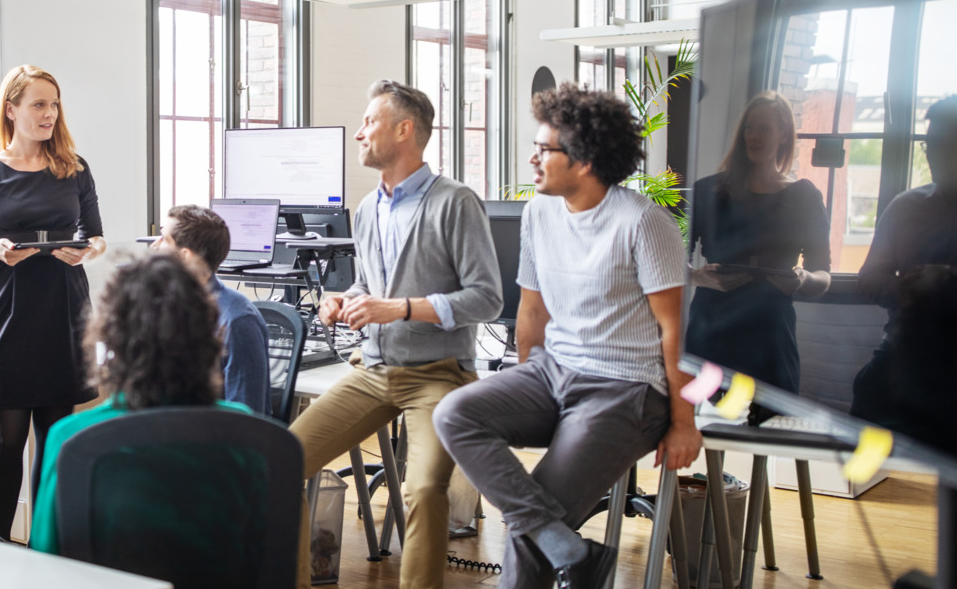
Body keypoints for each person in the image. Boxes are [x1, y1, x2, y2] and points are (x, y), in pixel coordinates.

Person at [433, 84, 701, 589]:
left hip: (627, 387)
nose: (532, 160)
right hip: (553, 371)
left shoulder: (644, 222)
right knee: (455, 413)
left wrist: (683, 421)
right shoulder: (539, 213)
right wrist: (522, 381)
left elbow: (677, 331)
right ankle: (571, 550)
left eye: (544, 150)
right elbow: (532, 309)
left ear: (584, 161)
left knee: (531, 522)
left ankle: (559, 545)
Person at [295, 80, 503, 589]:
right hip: (373, 371)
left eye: (370, 122)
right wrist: (342, 302)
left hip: (438, 375)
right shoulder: (369, 209)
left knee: (425, 488)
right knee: (281, 460)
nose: (360, 132)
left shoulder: (456, 202)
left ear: (404, 130)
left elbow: (488, 299)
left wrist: (401, 308)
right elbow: (371, 285)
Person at [0, 65, 106, 540]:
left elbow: (96, 237)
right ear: (11, 109)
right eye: (39, 104)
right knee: (8, 442)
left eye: (54, 104)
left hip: (66, 313)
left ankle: (42, 545)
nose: (49, 114)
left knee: (53, 444)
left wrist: (85, 252)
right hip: (8, 317)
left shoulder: (74, 167)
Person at [28, 252, 252, 554]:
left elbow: (48, 559)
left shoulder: (72, 438)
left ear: (111, 339)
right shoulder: (245, 433)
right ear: (208, 335)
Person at [686, 91, 832, 399]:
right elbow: (667, 258)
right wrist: (697, 276)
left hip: (770, 326)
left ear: (783, 134)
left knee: (770, 420)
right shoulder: (708, 191)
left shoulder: (804, 196)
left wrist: (803, 279)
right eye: (749, 128)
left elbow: (823, 274)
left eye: (764, 128)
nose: (754, 136)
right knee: (710, 419)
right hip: (713, 321)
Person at [853, 96, 957, 444]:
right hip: (902, 351)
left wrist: (945, 282)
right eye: (930, 144)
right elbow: (869, 276)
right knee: (867, 397)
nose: (932, 154)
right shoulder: (906, 207)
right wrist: (903, 288)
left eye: (944, 144)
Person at [152, 204, 271, 415]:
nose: (154, 246)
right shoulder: (164, 305)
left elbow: (247, 418)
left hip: (209, 440)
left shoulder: (237, 321)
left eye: (163, 239)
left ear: (185, 256)